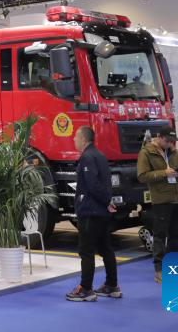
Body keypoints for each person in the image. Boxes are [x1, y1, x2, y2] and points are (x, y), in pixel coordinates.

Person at [66, 126, 121, 302]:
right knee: (106, 248)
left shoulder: (87, 157)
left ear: (83, 139)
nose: (74, 140)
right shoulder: (100, 155)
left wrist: (106, 201)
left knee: (86, 251)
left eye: (75, 137)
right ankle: (112, 285)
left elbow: (93, 185)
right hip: (101, 211)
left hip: (90, 211)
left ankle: (85, 288)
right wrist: (108, 201)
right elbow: (105, 183)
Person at [137, 126, 178, 283]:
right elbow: (142, 176)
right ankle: (159, 270)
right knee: (160, 235)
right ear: (158, 137)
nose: (169, 144)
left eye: (171, 141)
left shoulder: (173, 151)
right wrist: (163, 173)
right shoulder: (146, 152)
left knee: (175, 234)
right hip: (161, 200)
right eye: (167, 141)